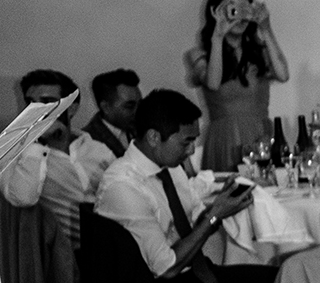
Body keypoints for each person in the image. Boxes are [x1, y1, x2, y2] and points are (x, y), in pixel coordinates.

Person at [93, 90, 275, 282]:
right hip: (165, 278)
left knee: (284, 274)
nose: (191, 150)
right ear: (153, 137)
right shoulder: (123, 186)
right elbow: (166, 268)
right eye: (186, 142)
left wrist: (221, 206)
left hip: (194, 270)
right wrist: (214, 216)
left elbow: (195, 223)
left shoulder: (169, 168)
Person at [185, 0, 290, 172]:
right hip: (224, 140)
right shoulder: (199, 55)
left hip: (261, 137)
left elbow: (283, 75)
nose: (240, 15)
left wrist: (266, 28)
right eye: (233, 8)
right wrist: (218, 37)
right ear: (215, 12)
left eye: (245, 8)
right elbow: (213, 83)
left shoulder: (259, 52)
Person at [0, 69, 86, 283]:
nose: (36, 110)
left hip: (107, 253)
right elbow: (23, 197)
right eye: (30, 103)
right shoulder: (13, 152)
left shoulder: (94, 147)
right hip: (58, 261)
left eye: (47, 102)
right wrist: (37, 142)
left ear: (71, 109)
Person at [77, 69, 144, 182]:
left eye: (140, 104)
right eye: (129, 106)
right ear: (106, 107)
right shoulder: (87, 142)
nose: (138, 111)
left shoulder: (144, 131)